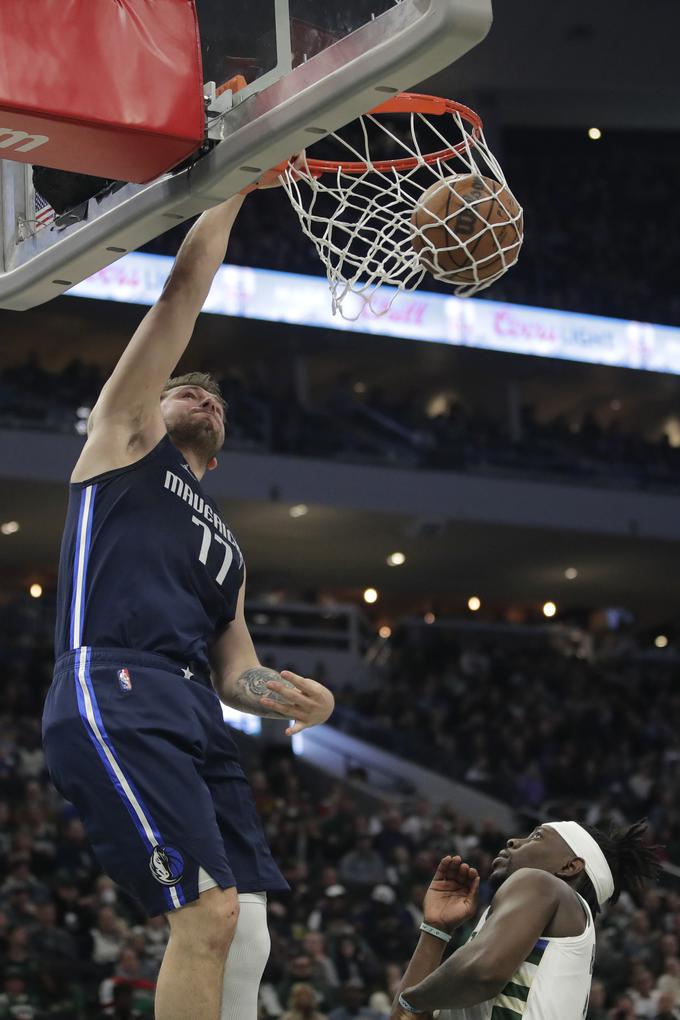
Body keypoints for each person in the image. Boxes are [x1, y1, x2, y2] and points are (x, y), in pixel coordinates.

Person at [41, 193, 336, 1020]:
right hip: (116, 684)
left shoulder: (231, 550)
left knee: (252, 930)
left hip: (196, 708)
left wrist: (295, 696)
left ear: (225, 444)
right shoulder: (124, 440)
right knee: (206, 916)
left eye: (215, 399)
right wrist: (235, 184)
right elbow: (181, 293)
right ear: (152, 405)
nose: (203, 394)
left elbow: (236, 670)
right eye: (185, 389)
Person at [391, 819, 660, 1019]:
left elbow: (483, 973)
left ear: (569, 867)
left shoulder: (541, 882)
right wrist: (435, 930)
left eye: (536, 836)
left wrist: (411, 1001)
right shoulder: (554, 940)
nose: (513, 841)